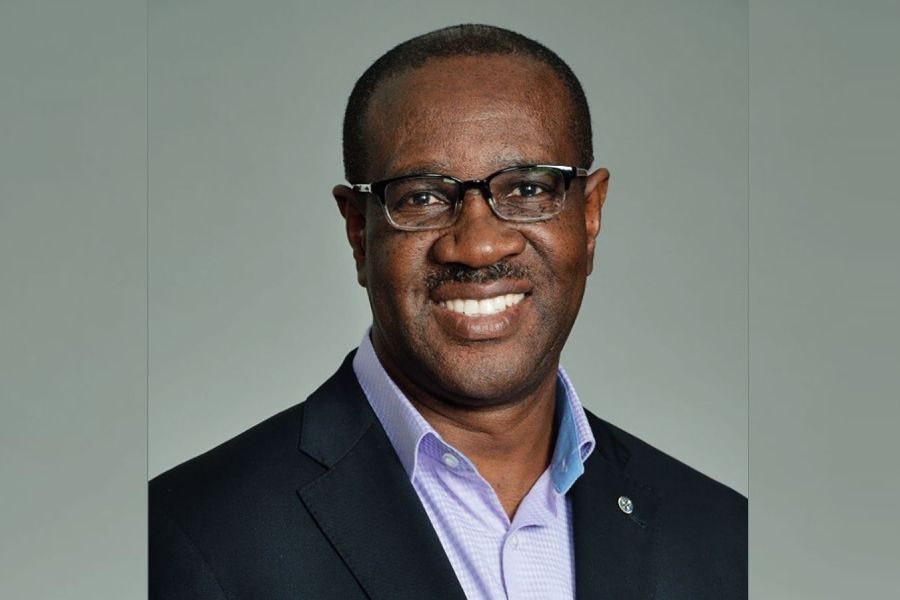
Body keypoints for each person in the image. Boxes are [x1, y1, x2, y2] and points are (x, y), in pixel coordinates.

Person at [149, 24, 747, 599]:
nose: (479, 245)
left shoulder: (722, 537)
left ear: (589, 218)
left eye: (528, 189)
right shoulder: (189, 535)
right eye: (424, 197)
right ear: (359, 233)